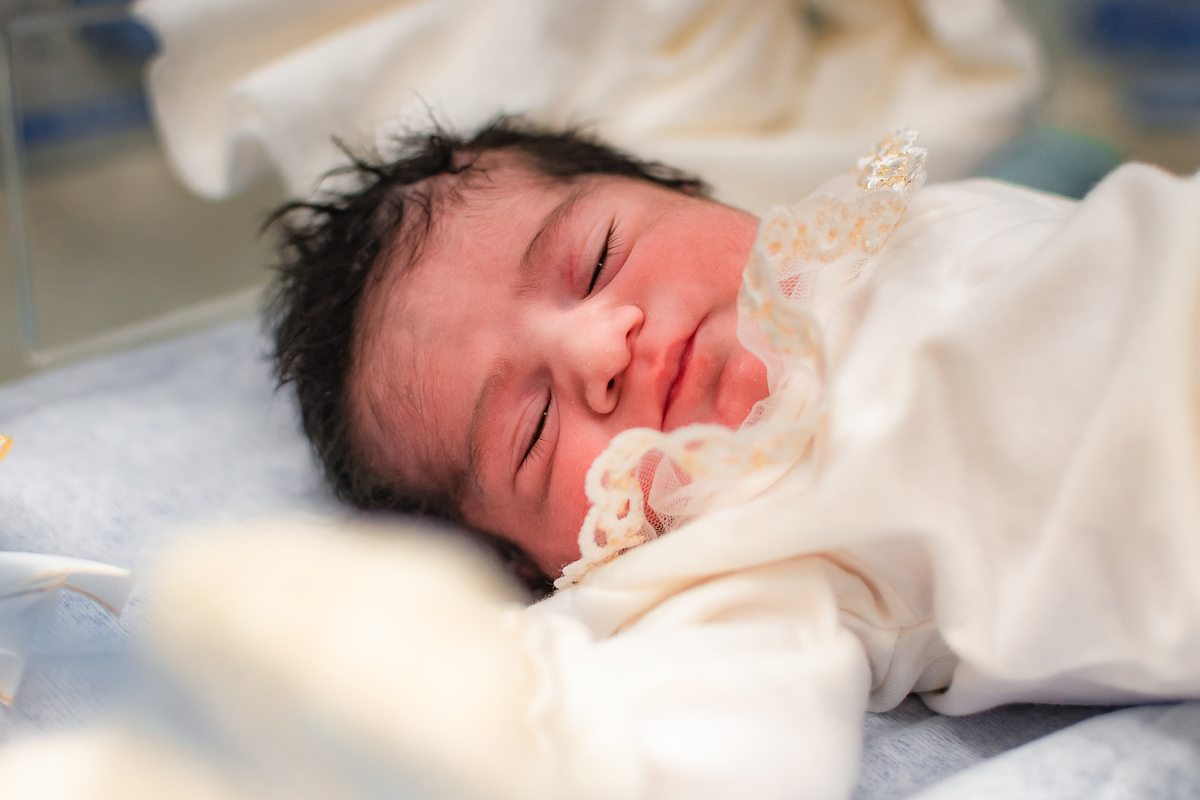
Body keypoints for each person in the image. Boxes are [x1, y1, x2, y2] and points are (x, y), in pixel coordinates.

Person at [269, 115, 1200, 798]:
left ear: (694, 193)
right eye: (533, 430)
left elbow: (994, 182)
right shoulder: (718, 551)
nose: (601, 349)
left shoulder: (867, 216)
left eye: (596, 259)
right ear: (536, 564)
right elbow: (715, 746)